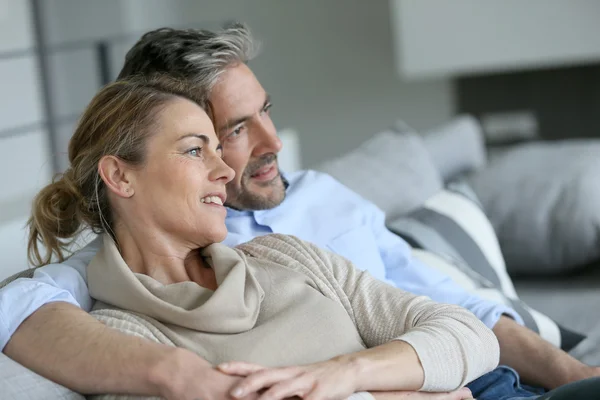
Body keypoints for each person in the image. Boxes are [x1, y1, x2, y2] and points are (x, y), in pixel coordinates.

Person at [1, 23, 598, 399]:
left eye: (267, 111)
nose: (270, 143)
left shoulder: (299, 227)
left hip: (474, 370)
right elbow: (17, 305)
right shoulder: (116, 306)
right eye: (222, 134)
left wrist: (572, 371)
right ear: (121, 174)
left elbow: (459, 318)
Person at [27, 74, 498, 400]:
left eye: (217, 147)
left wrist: (343, 374)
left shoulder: (285, 254)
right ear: (120, 177)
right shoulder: (124, 340)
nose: (225, 170)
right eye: (195, 150)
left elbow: (470, 335)